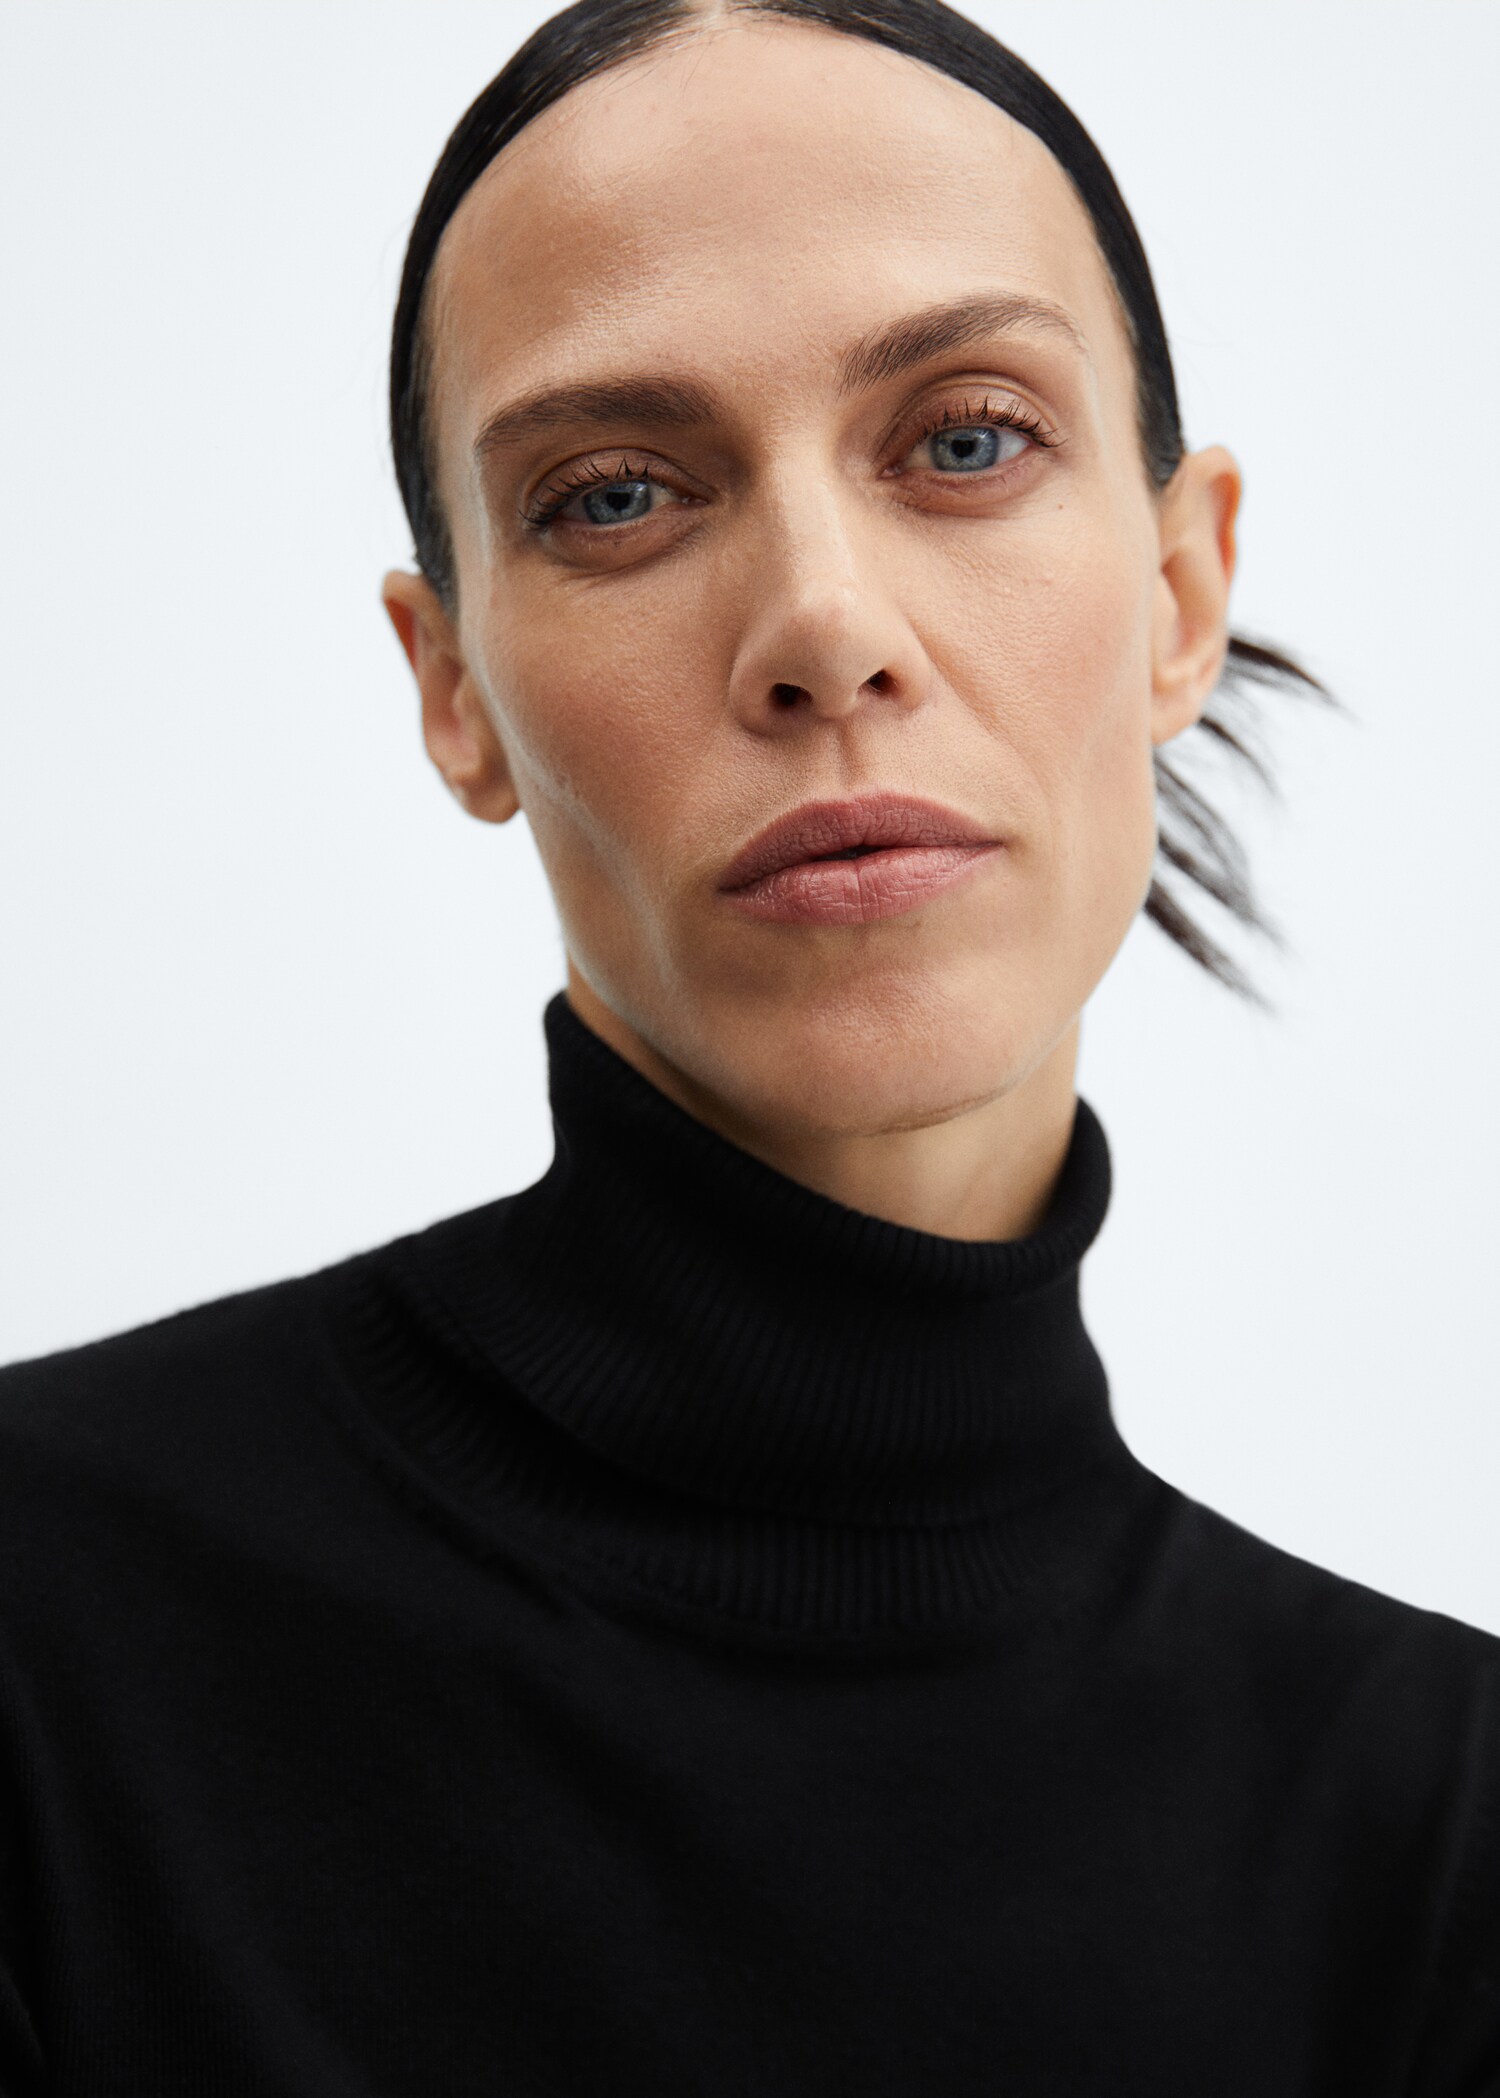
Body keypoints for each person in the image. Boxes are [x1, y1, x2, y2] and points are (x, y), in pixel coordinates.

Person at [1, 0, 1495, 2089]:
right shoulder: (39, 1626)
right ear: (454, 689)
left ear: (1179, 591)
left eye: (966, 441)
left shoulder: (1442, 1830)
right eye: (615, 493)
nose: (825, 627)